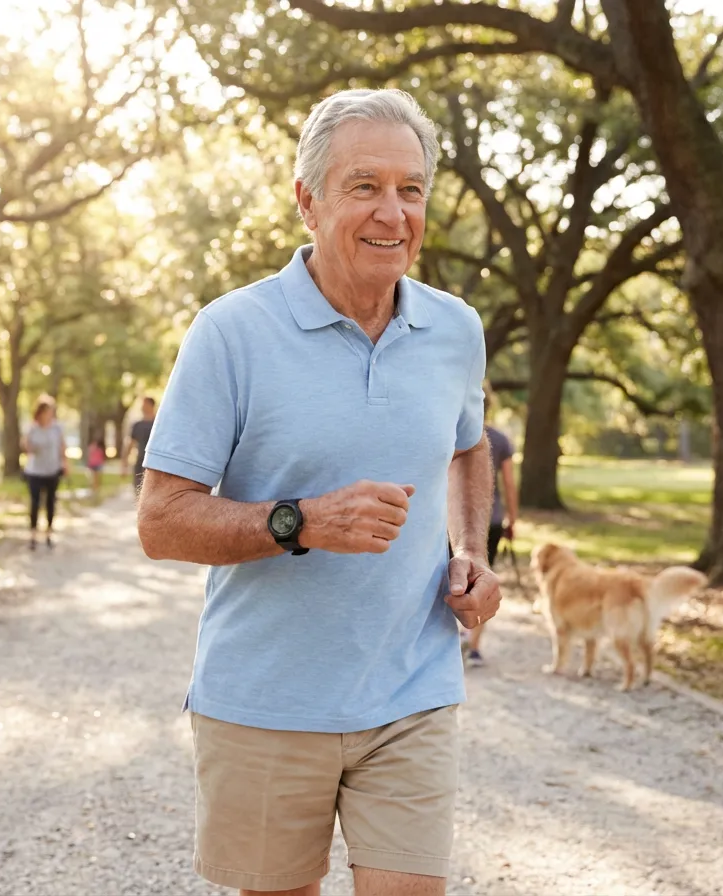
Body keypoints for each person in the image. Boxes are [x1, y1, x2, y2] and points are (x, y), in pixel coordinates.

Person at [136, 88, 502, 896]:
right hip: (266, 699)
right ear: (307, 200)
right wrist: (299, 521)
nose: (393, 213)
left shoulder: (456, 331)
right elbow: (161, 522)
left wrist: (470, 551)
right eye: (364, 186)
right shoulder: (231, 332)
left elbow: (469, 444)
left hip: (413, 688)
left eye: (411, 189)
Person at [463, 423, 517, 668]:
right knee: (481, 579)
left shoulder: (453, 428)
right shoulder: (500, 439)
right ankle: (473, 646)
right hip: (491, 519)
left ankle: (458, 640)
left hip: (454, 519)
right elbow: (509, 483)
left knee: (453, 580)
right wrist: (512, 520)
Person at [21, 394, 67, 550]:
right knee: (35, 503)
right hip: (35, 471)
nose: (49, 414)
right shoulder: (32, 427)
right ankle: (33, 535)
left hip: (52, 470)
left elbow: (62, 446)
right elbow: (26, 447)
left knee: (50, 503)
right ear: (39, 412)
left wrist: (65, 463)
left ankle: (49, 534)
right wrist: (29, 446)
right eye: (46, 411)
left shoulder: (57, 427)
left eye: (51, 411)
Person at [121, 396, 156, 494]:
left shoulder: (158, 424)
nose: (142, 407)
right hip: (140, 462)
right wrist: (124, 464)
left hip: (154, 463)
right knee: (138, 491)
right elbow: (130, 444)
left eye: (144, 404)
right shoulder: (137, 425)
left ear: (151, 405)